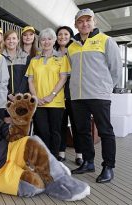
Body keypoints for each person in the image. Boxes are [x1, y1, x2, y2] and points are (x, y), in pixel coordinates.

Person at [68, 8, 122, 183]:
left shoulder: (106, 41)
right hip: (78, 96)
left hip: (99, 94)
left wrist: (106, 89)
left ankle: (108, 166)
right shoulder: (72, 46)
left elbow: (116, 69)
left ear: (94, 22)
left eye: (87, 20)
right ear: (76, 25)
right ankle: (88, 161)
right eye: (80, 21)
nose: (84, 24)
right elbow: (71, 70)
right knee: (82, 131)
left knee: (105, 131)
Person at [26, 28, 70, 158]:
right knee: (42, 132)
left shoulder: (62, 58)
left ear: (54, 40)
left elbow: (63, 78)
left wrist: (51, 95)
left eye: (49, 39)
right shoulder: (35, 60)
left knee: (55, 132)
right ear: (40, 41)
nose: (46, 42)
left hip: (55, 102)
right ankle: (43, 159)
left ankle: (54, 160)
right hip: (39, 102)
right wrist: (35, 97)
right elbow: (30, 80)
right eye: (43, 39)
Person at [54, 26, 83, 165]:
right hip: (57, 94)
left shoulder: (75, 51)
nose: (62, 37)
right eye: (60, 34)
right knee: (61, 125)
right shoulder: (53, 53)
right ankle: (61, 152)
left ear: (70, 36)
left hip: (74, 94)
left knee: (77, 125)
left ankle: (79, 154)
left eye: (66, 34)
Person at [1, 30, 30, 101]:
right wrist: (9, 94)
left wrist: (19, 94)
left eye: (14, 38)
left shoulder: (26, 56)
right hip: (5, 97)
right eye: (8, 39)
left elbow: (27, 77)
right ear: (4, 41)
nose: (11, 41)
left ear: (18, 40)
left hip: (23, 97)